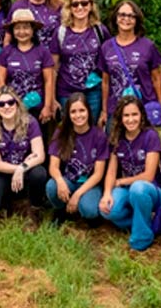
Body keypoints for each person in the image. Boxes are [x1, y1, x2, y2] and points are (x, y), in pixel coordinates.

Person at [99, 96, 161, 251]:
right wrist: (107, 193)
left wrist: (121, 182)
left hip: (150, 190)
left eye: (134, 115)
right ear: (120, 118)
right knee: (108, 211)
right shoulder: (117, 138)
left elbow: (149, 176)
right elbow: (111, 171)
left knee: (138, 188)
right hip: (129, 189)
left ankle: (141, 238)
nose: (131, 120)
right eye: (126, 115)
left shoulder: (150, 136)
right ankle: (143, 221)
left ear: (142, 115)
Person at [0, 88, 49, 219]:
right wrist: (17, 170)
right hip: (4, 172)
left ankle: (35, 207)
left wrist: (22, 168)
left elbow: (40, 155)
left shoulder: (30, 122)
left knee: (39, 173)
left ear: (17, 104)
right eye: (1, 104)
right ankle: (8, 199)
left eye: (11, 102)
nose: (7, 106)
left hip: (27, 170)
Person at [98, 1, 161, 128]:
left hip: (142, 107)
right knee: (115, 146)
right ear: (116, 18)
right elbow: (105, 82)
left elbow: (156, 78)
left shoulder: (147, 46)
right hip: (116, 109)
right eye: (122, 15)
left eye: (131, 15)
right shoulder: (106, 47)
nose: (126, 19)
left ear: (136, 19)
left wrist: (160, 105)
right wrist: (104, 110)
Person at [50, 0, 109, 124]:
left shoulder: (100, 31)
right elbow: (53, 69)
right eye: (75, 4)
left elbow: (108, 64)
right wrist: (52, 99)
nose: (80, 7)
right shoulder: (61, 32)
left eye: (84, 3)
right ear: (69, 7)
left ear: (91, 6)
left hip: (94, 91)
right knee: (69, 132)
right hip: (67, 91)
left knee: (92, 129)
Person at [45, 92, 108, 223]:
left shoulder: (99, 135)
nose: (78, 115)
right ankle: (61, 209)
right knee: (52, 186)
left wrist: (78, 194)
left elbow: (98, 174)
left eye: (82, 110)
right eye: (73, 111)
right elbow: (53, 166)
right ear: (68, 114)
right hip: (69, 181)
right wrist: (60, 181)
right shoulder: (61, 132)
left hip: (89, 184)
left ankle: (80, 206)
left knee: (89, 211)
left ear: (88, 112)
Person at [0, 8, 56, 123]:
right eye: (17, 28)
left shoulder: (43, 52)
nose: (22, 32)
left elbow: (49, 80)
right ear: (12, 31)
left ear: (33, 29)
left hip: (37, 108)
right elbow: (1, 81)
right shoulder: (6, 52)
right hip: (12, 107)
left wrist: (47, 106)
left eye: (26, 27)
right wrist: (5, 104)